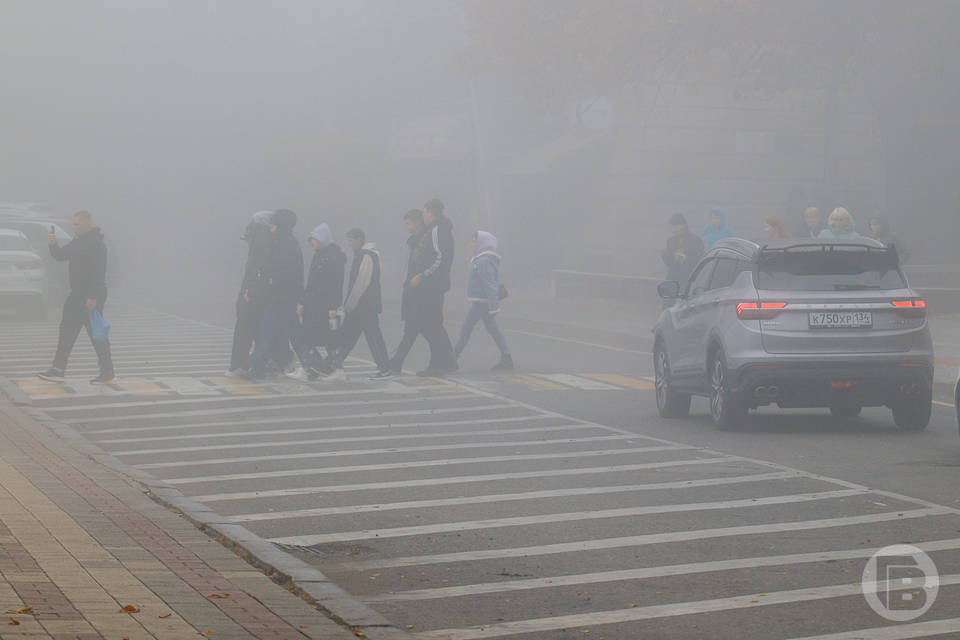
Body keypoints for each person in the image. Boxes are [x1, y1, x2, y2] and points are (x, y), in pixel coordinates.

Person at [38, 210, 115, 384]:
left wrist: (93, 297)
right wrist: (52, 244)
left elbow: (99, 271)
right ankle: (59, 369)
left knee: (97, 334)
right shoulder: (78, 241)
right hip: (77, 294)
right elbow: (60, 256)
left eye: (77, 224)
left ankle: (107, 372)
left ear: (87, 224)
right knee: (68, 331)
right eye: (73, 224)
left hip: (90, 297)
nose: (74, 227)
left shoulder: (96, 243)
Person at [322, 228, 392, 380]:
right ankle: (332, 364)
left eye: (351, 240)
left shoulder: (366, 256)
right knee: (349, 337)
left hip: (364, 307)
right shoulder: (363, 255)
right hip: (363, 306)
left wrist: (348, 306)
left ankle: (384, 368)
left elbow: (361, 283)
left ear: (360, 239)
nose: (349, 243)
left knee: (368, 337)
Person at [243, 209, 303, 380]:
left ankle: (310, 362)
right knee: (268, 331)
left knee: (291, 333)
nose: (271, 226)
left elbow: (283, 271)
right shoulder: (281, 241)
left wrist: (269, 284)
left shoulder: (287, 243)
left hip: (284, 296)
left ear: (280, 225)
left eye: (274, 223)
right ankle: (256, 364)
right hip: (277, 295)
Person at [287, 223, 346, 381]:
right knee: (309, 338)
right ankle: (312, 368)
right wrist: (303, 301)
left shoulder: (333, 256)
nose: (312, 242)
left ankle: (332, 370)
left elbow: (335, 283)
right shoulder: (320, 254)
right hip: (313, 305)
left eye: (314, 239)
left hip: (324, 307)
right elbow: (312, 283)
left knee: (328, 339)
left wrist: (333, 306)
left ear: (322, 238)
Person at [410, 198, 457, 376]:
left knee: (430, 324)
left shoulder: (438, 230)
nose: (423, 215)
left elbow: (440, 258)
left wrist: (422, 275)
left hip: (433, 284)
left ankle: (438, 364)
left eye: (425, 212)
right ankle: (447, 361)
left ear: (431, 212)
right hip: (434, 284)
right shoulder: (436, 229)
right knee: (433, 324)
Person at [453, 231, 513, 371]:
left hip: (482, 302)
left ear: (482, 243)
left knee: (466, 328)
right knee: (492, 329)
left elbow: (489, 284)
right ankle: (506, 357)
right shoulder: (482, 259)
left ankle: (453, 357)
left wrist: (494, 306)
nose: (471, 244)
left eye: (474, 241)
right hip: (482, 301)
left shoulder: (484, 261)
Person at [227, 210, 273, 376]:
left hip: (251, 297)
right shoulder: (265, 242)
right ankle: (251, 364)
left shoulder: (260, 245)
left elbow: (257, 271)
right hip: (252, 296)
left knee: (248, 331)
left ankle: (240, 365)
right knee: (257, 331)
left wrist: (249, 293)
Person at [388, 209, 433, 375]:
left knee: (414, 328)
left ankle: (397, 361)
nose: (406, 227)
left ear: (417, 222)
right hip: (412, 289)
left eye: (408, 223)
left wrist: (417, 279)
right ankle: (445, 356)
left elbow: (425, 265)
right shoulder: (414, 240)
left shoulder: (424, 240)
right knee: (418, 329)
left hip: (420, 291)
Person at [661, 213, 704, 290]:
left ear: (683, 225)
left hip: (688, 280)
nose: (673, 230)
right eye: (671, 227)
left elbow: (700, 261)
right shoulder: (670, 241)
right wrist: (665, 256)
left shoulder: (696, 241)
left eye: (675, 227)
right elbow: (669, 263)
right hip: (672, 279)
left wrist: (685, 258)